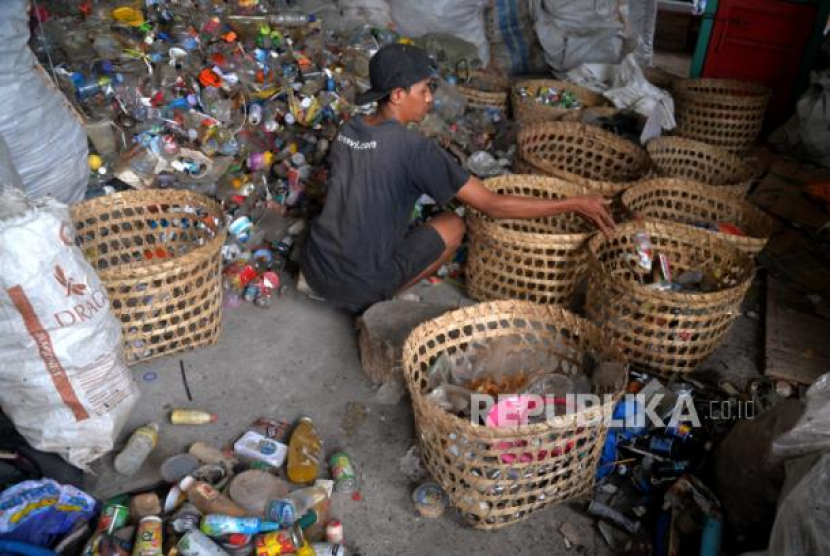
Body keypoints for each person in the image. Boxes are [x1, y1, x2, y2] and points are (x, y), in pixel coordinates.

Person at [300, 44, 614, 313]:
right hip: (358, 287)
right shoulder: (415, 149)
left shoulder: (350, 128)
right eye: (423, 90)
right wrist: (574, 203)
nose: (429, 99)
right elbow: (493, 205)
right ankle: (379, 300)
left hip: (315, 266)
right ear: (397, 95)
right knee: (453, 225)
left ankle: (346, 283)